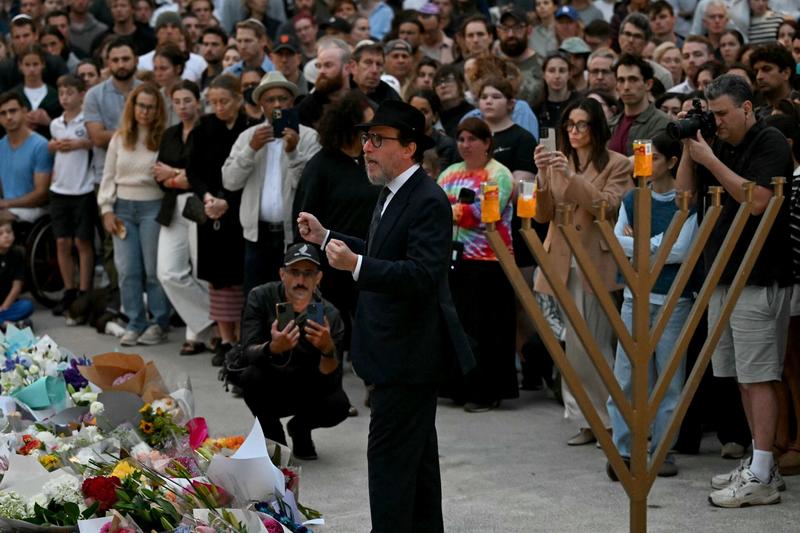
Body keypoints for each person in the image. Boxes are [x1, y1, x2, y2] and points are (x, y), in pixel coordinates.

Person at [296, 100, 473, 533]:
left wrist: (355, 265)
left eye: (378, 140)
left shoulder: (427, 198)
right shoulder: (393, 191)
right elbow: (383, 251)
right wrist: (327, 237)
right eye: (366, 138)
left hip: (408, 357)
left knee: (391, 464)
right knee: (417, 465)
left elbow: (422, 274)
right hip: (392, 353)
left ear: (409, 147)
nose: (367, 149)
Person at [676, 74, 793, 507]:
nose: (718, 121)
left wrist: (711, 160)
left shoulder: (771, 141)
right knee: (741, 378)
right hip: (721, 272)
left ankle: (761, 470)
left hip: (759, 275)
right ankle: (762, 465)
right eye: (713, 114)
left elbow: (759, 201)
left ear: (747, 108)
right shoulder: (713, 143)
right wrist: (691, 146)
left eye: (724, 113)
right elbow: (685, 197)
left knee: (760, 375)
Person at [533, 96, 633, 446]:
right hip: (560, 261)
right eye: (569, 125)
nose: (574, 132)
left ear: (596, 128)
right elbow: (543, 215)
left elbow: (608, 206)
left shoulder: (618, 164)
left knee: (594, 344)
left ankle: (610, 418)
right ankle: (584, 418)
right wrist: (543, 178)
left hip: (595, 261)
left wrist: (570, 176)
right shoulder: (553, 161)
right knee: (570, 347)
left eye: (582, 125)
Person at [606, 133, 698, 480]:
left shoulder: (686, 202)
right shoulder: (632, 198)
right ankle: (624, 450)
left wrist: (639, 242)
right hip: (635, 297)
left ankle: (663, 450)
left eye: (655, 157)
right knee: (626, 376)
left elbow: (681, 250)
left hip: (674, 299)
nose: (645, 163)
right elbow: (617, 241)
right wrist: (649, 245)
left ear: (673, 162)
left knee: (669, 379)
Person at [437, 116, 518, 412]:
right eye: (461, 139)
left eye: (473, 139)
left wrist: (453, 209)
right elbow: (435, 208)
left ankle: (486, 391)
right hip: (455, 259)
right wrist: (456, 210)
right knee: (459, 327)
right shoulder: (449, 173)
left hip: (490, 261)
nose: (466, 145)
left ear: (487, 143)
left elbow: (485, 214)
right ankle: (456, 387)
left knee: (487, 329)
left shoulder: (499, 174)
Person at [240, 242, 350, 458]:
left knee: (339, 405)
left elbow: (332, 382)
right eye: (294, 272)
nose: (300, 281)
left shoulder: (330, 314)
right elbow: (247, 351)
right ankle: (275, 439)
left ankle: (300, 429)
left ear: (318, 278)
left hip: (310, 386)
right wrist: (272, 348)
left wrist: (327, 349)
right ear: (282, 274)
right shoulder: (261, 297)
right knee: (249, 377)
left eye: (308, 274)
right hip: (271, 381)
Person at [292, 91, 380, 355]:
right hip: (327, 267)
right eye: (366, 127)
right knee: (324, 336)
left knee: (371, 330)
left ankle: (372, 386)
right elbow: (303, 220)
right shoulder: (320, 166)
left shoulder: (374, 164)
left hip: (366, 260)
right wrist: (306, 269)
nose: (371, 132)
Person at [223, 71, 321, 297]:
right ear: (261, 105)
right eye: (270, 99)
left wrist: (293, 153)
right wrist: (251, 149)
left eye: (283, 98)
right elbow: (230, 182)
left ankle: (297, 334)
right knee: (256, 297)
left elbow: (311, 188)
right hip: (257, 236)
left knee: (297, 297)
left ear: (292, 102)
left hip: (294, 236)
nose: (277, 104)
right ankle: (260, 335)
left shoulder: (308, 138)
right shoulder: (249, 136)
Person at [97, 82, 172, 346]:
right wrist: (106, 209)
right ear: (133, 106)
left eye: (151, 107)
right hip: (122, 209)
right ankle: (135, 321)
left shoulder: (165, 137)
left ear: (158, 110)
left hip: (152, 206)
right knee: (127, 269)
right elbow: (107, 177)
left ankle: (159, 322)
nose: (145, 111)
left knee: (153, 269)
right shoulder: (119, 137)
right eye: (141, 105)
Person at [187, 74, 250, 365]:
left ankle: (241, 337)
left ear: (238, 99)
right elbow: (193, 171)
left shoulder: (248, 128)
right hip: (211, 209)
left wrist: (228, 200)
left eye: (224, 101)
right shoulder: (203, 128)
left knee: (238, 276)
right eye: (213, 102)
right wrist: (208, 197)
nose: (219, 107)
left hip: (238, 210)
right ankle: (224, 339)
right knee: (217, 279)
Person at [154, 80, 213, 356]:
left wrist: (177, 176)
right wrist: (179, 177)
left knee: (202, 270)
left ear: (197, 101)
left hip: (201, 203)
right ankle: (213, 320)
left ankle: (197, 334)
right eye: (177, 101)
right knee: (167, 272)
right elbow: (158, 174)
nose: (182, 106)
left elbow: (204, 171)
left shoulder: (208, 130)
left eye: (187, 100)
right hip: (171, 207)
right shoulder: (170, 134)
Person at [48, 74, 95, 317]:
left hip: (83, 188)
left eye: (70, 93)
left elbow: (94, 142)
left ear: (81, 94)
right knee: (62, 242)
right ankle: (69, 289)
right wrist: (53, 146)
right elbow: (52, 147)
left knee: (82, 241)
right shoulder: (55, 124)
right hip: (60, 189)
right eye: (62, 93)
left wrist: (81, 144)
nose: (65, 98)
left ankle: (85, 289)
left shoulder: (86, 121)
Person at [0, 91, 52, 225]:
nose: (9, 117)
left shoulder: (40, 145)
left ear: (24, 111)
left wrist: (7, 203)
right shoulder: (0, 146)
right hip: (7, 207)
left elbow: (41, 195)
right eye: (3, 113)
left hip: (35, 209)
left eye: (13, 111)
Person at [608, 54, 672, 156]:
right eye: (621, 80)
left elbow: (646, 164)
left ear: (648, 84)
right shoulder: (610, 125)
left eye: (633, 80)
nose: (626, 87)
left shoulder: (662, 122)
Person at [12, 44, 62, 139]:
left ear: (43, 64)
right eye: (27, 65)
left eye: (35, 64)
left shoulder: (56, 95)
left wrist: (49, 122)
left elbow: (67, 127)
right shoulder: (13, 95)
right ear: (20, 66)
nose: (31, 69)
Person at [0, 213, 34, 329]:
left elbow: (17, 287)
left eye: (9, 232)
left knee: (27, 306)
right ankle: (8, 324)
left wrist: (4, 306)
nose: (6, 236)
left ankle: (4, 324)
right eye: (1, 234)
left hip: (7, 305)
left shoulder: (16, 255)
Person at [348, 40, 401, 105]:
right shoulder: (341, 90)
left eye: (378, 64)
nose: (374, 70)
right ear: (353, 67)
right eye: (368, 63)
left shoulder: (389, 95)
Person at [749, 43, 795, 117]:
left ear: (786, 73)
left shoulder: (797, 107)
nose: (759, 77)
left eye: (766, 69)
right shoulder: (755, 117)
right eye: (756, 72)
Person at [536, 52, 578, 130]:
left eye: (562, 71)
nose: (557, 76)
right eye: (551, 71)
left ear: (569, 74)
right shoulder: (537, 108)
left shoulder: (579, 103)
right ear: (544, 74)